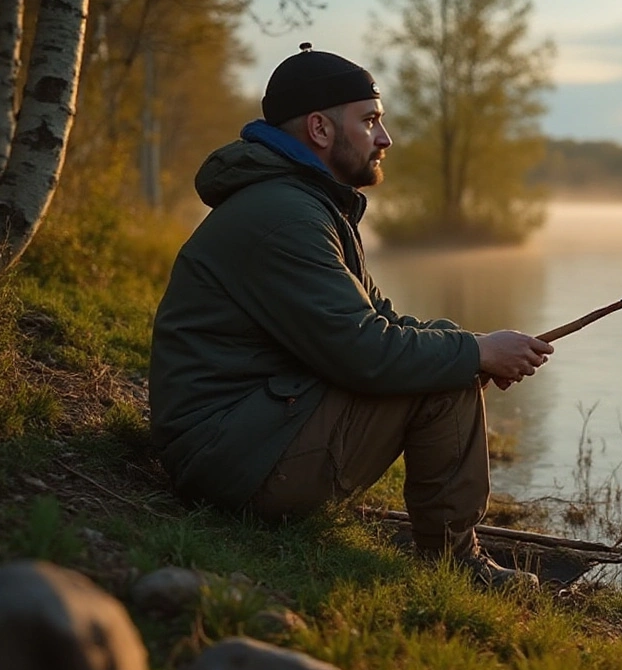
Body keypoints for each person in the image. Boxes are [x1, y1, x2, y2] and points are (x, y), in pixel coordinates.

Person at [148, 44, 553, 587]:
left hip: (244, 436)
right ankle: (455, 566)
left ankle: (453, 551)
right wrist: (474, 354)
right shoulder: (285, 215)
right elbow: (365, 352)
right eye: (370, 121)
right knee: (444, 380)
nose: (384, 138)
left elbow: (378, 318)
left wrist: (476, 345)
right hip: (230, 461)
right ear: (319, 129)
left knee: (448, 355)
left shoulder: (304, 203)